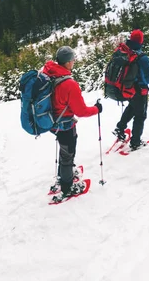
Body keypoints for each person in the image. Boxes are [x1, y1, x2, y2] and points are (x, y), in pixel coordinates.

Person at [42, 46, 102, 196]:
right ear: (68, 62)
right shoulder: (69, 84)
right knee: (68, 153)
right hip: (64, 125)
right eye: (73, 59)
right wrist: (97, 109)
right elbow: (81, 111)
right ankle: (67, 187)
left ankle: (64, 175)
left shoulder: (49, 73)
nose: (74, 61)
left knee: (65, 151)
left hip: (51, 122)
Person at [113, 29, 149, 150]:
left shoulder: (124, 51)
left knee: (132, 107)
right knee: (140, 116)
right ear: (141, 41)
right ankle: (135, 142)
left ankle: (120, 128)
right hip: (139, 90)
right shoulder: (141, 57)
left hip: (127, 88)